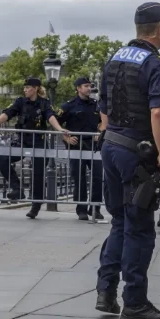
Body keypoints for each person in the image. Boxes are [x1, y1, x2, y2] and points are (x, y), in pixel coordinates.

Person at [93, 1, 160, 319]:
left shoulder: (114, 58)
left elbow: (103, 108)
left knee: (118, 222)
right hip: (137, 155)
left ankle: (105, 291)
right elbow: (158, 112)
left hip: (111, 146)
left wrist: (111, 134)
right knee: (140, 227)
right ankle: (136, 301)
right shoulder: (156, 65)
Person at [0, 77, 67, 219]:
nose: (25, 90)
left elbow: (50, 117)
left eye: (27, 87)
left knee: (38, 175)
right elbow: (7, 114)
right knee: (3, 159)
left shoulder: (44, 103)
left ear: (36, 88)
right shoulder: (20, 102)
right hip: (22, 141)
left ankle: (35, 206)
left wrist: (59, 129)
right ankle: (17, 188)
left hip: (39, 142)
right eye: (24, 87)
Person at [59, 76, 105, 221]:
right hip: (76, 146)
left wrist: (101, 132)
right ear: (78, 88)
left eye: (90, 86)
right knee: (79, 177)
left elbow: (104, 122)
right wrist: (65, 137)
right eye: (85, 86)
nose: (89, 88)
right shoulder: (68, 106)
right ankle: (81, 209)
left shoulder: (97, 105)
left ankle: (96, 208)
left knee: (98, 177)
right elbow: (55, 124)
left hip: (93, 146)